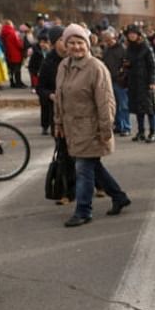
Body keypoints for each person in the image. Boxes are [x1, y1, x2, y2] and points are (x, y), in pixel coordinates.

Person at [52, 24, 131, 227]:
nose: (76, 47)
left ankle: (83, 210)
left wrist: (106, 129)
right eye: (72, 43)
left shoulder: (96, 68)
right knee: (92, 166)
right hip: (72, 128)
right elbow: (59, 97)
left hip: (91, 128)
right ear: (65, 45)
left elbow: (106, 102)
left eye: (80, 43)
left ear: (87, 45)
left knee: (83, 168)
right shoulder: (63, 66)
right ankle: (119, 196)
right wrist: (58, 122)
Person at [123, 24, 155, 142]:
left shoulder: (146, 47)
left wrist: (152, 81)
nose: (131, 36)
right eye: (129, 34)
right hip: (133, 82)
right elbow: (128, 62)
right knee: (138, 109)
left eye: (134, 34)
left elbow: (152, 65)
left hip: (145, 82)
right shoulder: (129, 48)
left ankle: (152, 132)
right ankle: (141, 131)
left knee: (149, 109)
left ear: (138, 35)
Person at [99, 29, 131, 136]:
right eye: (106, 40)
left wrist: (122, 75)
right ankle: (118, 125)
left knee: (123, 105)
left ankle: (126, 127)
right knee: (113, 105)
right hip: (109, 80)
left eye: (109, 40)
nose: (108, 42)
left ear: (114, 38)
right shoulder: (107, 50)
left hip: (120, 81)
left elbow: (127, 65)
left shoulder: (122, 49)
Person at [1, 19, 25, 88]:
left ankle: (12, 82)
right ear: (10, 25)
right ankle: (18, 83)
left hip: (8, 54)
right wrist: (22, 45)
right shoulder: (13, 33)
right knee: (17, 70)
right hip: (16, 54)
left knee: (10, 70)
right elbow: (18, 44)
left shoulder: (3, 33)